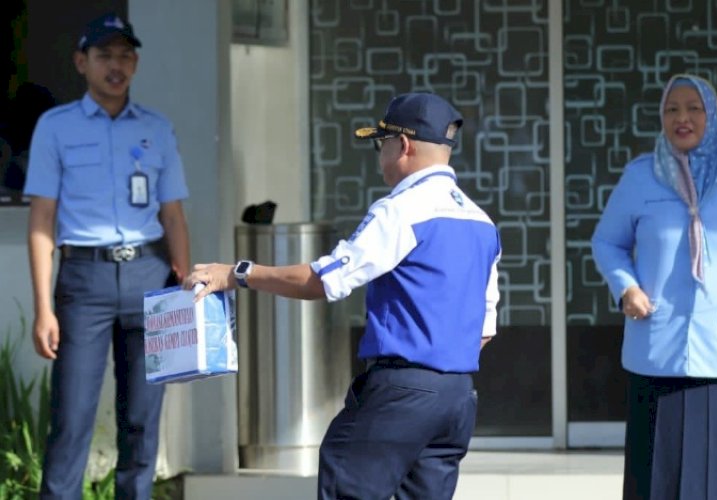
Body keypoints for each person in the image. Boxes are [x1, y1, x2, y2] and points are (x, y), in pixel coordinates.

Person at [186, 92, 501, 499]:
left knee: (346, 485)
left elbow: (326, 279)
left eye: (380, 143)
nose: (379, 154)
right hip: (457, 398)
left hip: (401, 390)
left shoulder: (401, 210)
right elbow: (485, 328)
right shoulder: (481, 221)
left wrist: (239, 273)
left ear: (402, 145)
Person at [591, 73, 717, 500]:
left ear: (713, 116)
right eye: (672, 109)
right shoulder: (640, 177)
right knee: (654, 481)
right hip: (655, 350)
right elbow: (607, 242)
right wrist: (625, 287)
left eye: (694, 108)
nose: (683, 118)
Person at [24, 13, 190, 499]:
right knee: (71, 419)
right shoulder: (56, 128)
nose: (115, 66)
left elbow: (174, 216)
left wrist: (187, 288)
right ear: (82, 62)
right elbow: (41, 222)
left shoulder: (157, 129)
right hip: (84, 281)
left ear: (135, 63)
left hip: (150, 276)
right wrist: (42, 309)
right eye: (104, 56)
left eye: (125, 56)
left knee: (142, 422)